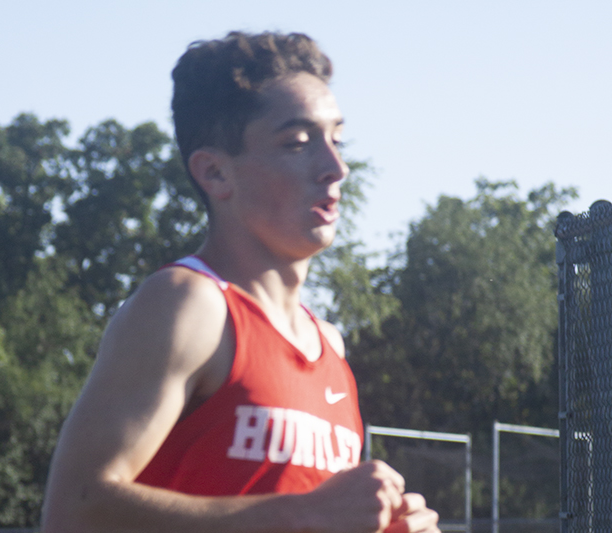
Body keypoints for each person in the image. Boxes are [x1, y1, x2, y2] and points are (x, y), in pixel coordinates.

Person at [41, 31, 440, 533]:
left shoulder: (331, 346)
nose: (335, 167)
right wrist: (306, 514)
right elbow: (73, 512)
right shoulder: (187, 305)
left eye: (337, 139)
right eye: (297, 144)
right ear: (214, 173)